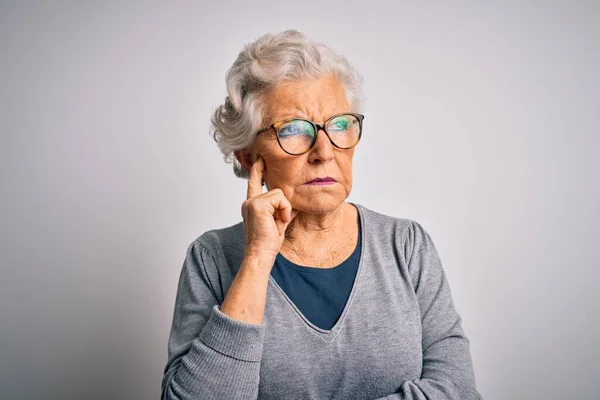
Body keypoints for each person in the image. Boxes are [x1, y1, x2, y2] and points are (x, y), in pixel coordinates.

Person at [161, 29, 482, 400]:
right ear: (248, 156)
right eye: (294, 130)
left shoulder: (406, 245)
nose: (324, 151)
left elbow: (457, 391)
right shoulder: (212, 257)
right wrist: (257, 259)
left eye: (340, 124)